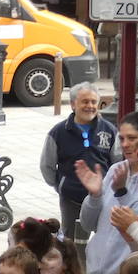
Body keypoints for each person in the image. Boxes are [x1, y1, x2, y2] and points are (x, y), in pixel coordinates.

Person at [75, 112, 138, 274]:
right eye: (121, 138)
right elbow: (87, 224)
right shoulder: (116, 170)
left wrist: (122, 193)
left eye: (132, 138)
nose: (125, 144)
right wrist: (95, 196)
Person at [40, 83, 119, 240]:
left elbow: (117, 162)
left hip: (102, 198)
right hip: (71, 199)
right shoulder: (58, 132)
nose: (89, 106)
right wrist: (61, 185)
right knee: (72, 243)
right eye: (85, 102)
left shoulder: (109, 131)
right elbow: (46, 165)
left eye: (93, 102)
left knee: (104, 240)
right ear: (73, 104)